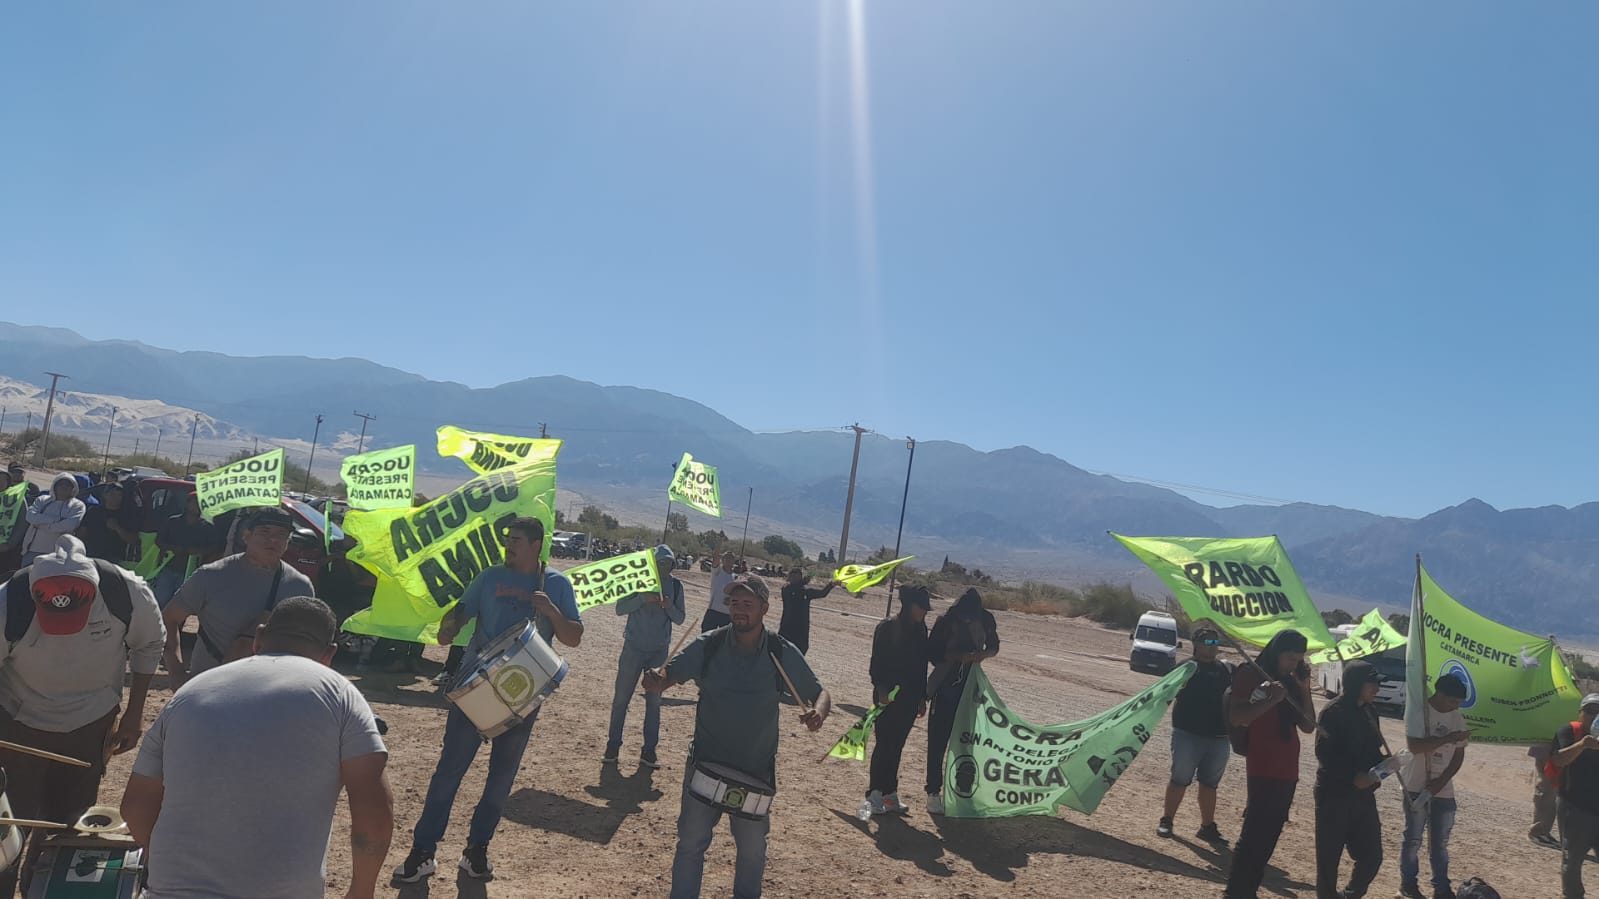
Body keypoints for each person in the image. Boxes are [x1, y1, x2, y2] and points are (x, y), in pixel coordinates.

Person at [121, 597, 393, 899]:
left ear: (260, 637)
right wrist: (361, 891)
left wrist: (166, 865)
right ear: (329, 654)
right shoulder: (341, 694)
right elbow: (374, 813)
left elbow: (134, 806)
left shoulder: (190, 692)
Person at [393, 516, 583, 884]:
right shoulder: (490, 577)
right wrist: (449, 625)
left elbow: (573, 637)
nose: (509, 546)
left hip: (522, 695)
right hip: (475, 689)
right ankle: (423, 852)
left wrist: (551, 612)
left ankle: (476, 851)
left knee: (500, 779)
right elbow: (461, 613)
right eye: (507, 539)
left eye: (516, 540)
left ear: (535, 545)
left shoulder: (557, 585)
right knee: (449, 772)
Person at [642, 573, 831, 899]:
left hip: (755, 770)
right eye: (734, 603)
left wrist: (819, 713)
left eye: (748, 603)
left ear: (764, 609)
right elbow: (668, 676)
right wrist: (657, 681)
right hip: (706, 765)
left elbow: (820, 692)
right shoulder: (710, 644)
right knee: (690, 844)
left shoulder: (779, 651)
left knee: (753, 852)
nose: (739, 609)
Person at [0, 535, 164, 897]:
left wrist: (135, 713)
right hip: (16, 725)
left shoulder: (128, 593)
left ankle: (43, 888)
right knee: (10, 822)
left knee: (68, 821)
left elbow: (149, 645)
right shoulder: (7, 602)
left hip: (90, 724)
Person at [161, 507, 314, 688]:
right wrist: (176, 672)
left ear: (288, 542)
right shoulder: (211, 576)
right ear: (246, 536)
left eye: (281, 534)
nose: (273, 540)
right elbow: (169, 619)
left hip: (265, 694)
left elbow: (305, 644)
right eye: (264, 532)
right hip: (206, 689)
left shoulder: (300, 587)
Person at [1224, 629, 1317, 899]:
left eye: (1298, 659)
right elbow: (1239, 717)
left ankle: (1249, 890)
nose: (1293, 664)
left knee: (1270, 834)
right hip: (1262, 764)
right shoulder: (1251, 674)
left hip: (1288, 769)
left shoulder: (1290, 682)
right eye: (1289, 658)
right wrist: (1271, 700)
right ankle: (1236, 892)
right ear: (1276, 652)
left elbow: (1309, 725)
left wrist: (1304, 689)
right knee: (1254, 831)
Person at [604, 544, 686, 767]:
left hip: (659, 652)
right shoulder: (636, 580)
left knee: (654, 702)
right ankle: (613, 745)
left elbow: (680, 619)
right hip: (633, 648)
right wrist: (641, 599)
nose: (664, 568)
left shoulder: (676, 586)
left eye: (668, 564)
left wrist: (668, 606)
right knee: (621, 698)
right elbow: (620, 608)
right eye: (660, 563)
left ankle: (649, 750)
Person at [1313, 660, 1387, 899]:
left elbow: (1374, 751)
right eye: (1372, 684)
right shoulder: (1333, 712)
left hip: (1363, 797)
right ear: (1356, 684)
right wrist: (1353, 777)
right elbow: (1325, 754)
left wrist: (1383, 768)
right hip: (1333, 794)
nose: (1377, 689)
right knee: (1328, 859)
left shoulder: (1369, 711)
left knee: (1372, 855)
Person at [924, 587, 999, 815]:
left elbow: (995, 647)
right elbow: (933, 654)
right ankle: (933, 792)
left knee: (967, 742)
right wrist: (957, 657)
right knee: (938, 742)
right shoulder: (946, 621)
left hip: (971, 688)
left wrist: (980, 656)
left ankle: (961, 789)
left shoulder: (986, 619)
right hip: (945, 686)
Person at [1158, 624, 1234, 845]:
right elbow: (1164, 693)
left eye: (1216, 642)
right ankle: (1167, 820)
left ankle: (1207, 826)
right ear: (1196, 645)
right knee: (1180, 779)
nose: (1213, 647)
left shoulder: (1226, 670)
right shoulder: (1186, 668)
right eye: (1208, 642)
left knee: (1210, 784)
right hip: (1188, 734)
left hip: (1219, 737)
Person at [1399, 672, 1471, 899]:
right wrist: (1447, 739)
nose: (1454, 707)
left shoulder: (1457, 717)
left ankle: (1441, 887)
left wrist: (1442, 780)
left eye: (1458, 703)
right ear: (1440, 694)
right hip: (1415, 786)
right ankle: (1408, 884)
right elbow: (1415, 747)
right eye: (1452, 701)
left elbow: (1459, 754)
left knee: (1439, 843)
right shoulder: (1419, 712)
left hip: (1443, 789)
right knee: (1413, 839)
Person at [863, 584, 930, 817]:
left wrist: (922, 697)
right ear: (908, 605)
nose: (923, 613)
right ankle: (874, 794)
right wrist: (880, 688)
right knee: (884, 744)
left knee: (897, 746)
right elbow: (876, 663)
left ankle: (890, 795)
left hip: (909, 699)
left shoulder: (922, 631)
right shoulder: (888, 628)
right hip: (887, 696)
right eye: (920, 608)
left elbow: (922, 667)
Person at [1551, 693, 1599, 899]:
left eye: (1597, 711)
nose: (1593, 715)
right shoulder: (1570, 731)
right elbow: (1559, 760)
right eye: (1589, 710)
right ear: (1580, 712)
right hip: (1575, 807)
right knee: (1572, 862)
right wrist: (1582, 745)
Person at [152, 492, 221, 608]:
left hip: (190, 574)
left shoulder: (208, 528)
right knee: (159, 603)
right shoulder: (172, 521)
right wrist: (172, 548)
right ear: (188, 503)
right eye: (196, 502)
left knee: (180, 606)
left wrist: (198, 551)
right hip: (168, 568)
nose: (198, 506)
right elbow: (158, 540)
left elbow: (214, 548)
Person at [20, 473, 86, 565]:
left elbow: (69, 526)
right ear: (55, 486)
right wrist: (57, 519)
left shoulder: (77, 506)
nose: (64, 487)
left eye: (68, 485)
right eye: (61, 484)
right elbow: (30, 516)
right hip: (33, 550)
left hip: (59, 554)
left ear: (73, 488)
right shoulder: (42, 500)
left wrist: (40, 525)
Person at [777, 567, 840, 655]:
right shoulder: (801, 591)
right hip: (796, 628)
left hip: (790, 627)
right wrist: (831, 585)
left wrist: (831, 585)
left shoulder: (787, 589)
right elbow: (821, 593)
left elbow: (821, 593)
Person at [76, 481, 138, 562]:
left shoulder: (126, 515)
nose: (115, 497)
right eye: (112, 494)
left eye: (119, 495)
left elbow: (133, 540)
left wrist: (117, 528)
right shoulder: (93, 512)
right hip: (90, 557)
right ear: (105, 495)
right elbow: (82, 533)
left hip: (115, 559)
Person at [1532, 740, 1563, 848]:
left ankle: (1543, 832)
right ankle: (1538, 832)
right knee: (1547, 790)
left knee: (1552, 792)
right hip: (1547, 747)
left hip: (1555, 748)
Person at [702, 551, 738, 632]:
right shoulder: (717, 571)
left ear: (734, 561)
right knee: (706, 637)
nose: (729, 560)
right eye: (726, 558)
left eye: (731, 558)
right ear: (722, 560)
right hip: (713, 611)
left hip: (728, 614)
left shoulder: (735, 577)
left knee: (724, 641)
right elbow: (715, 559)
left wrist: (731, 600)